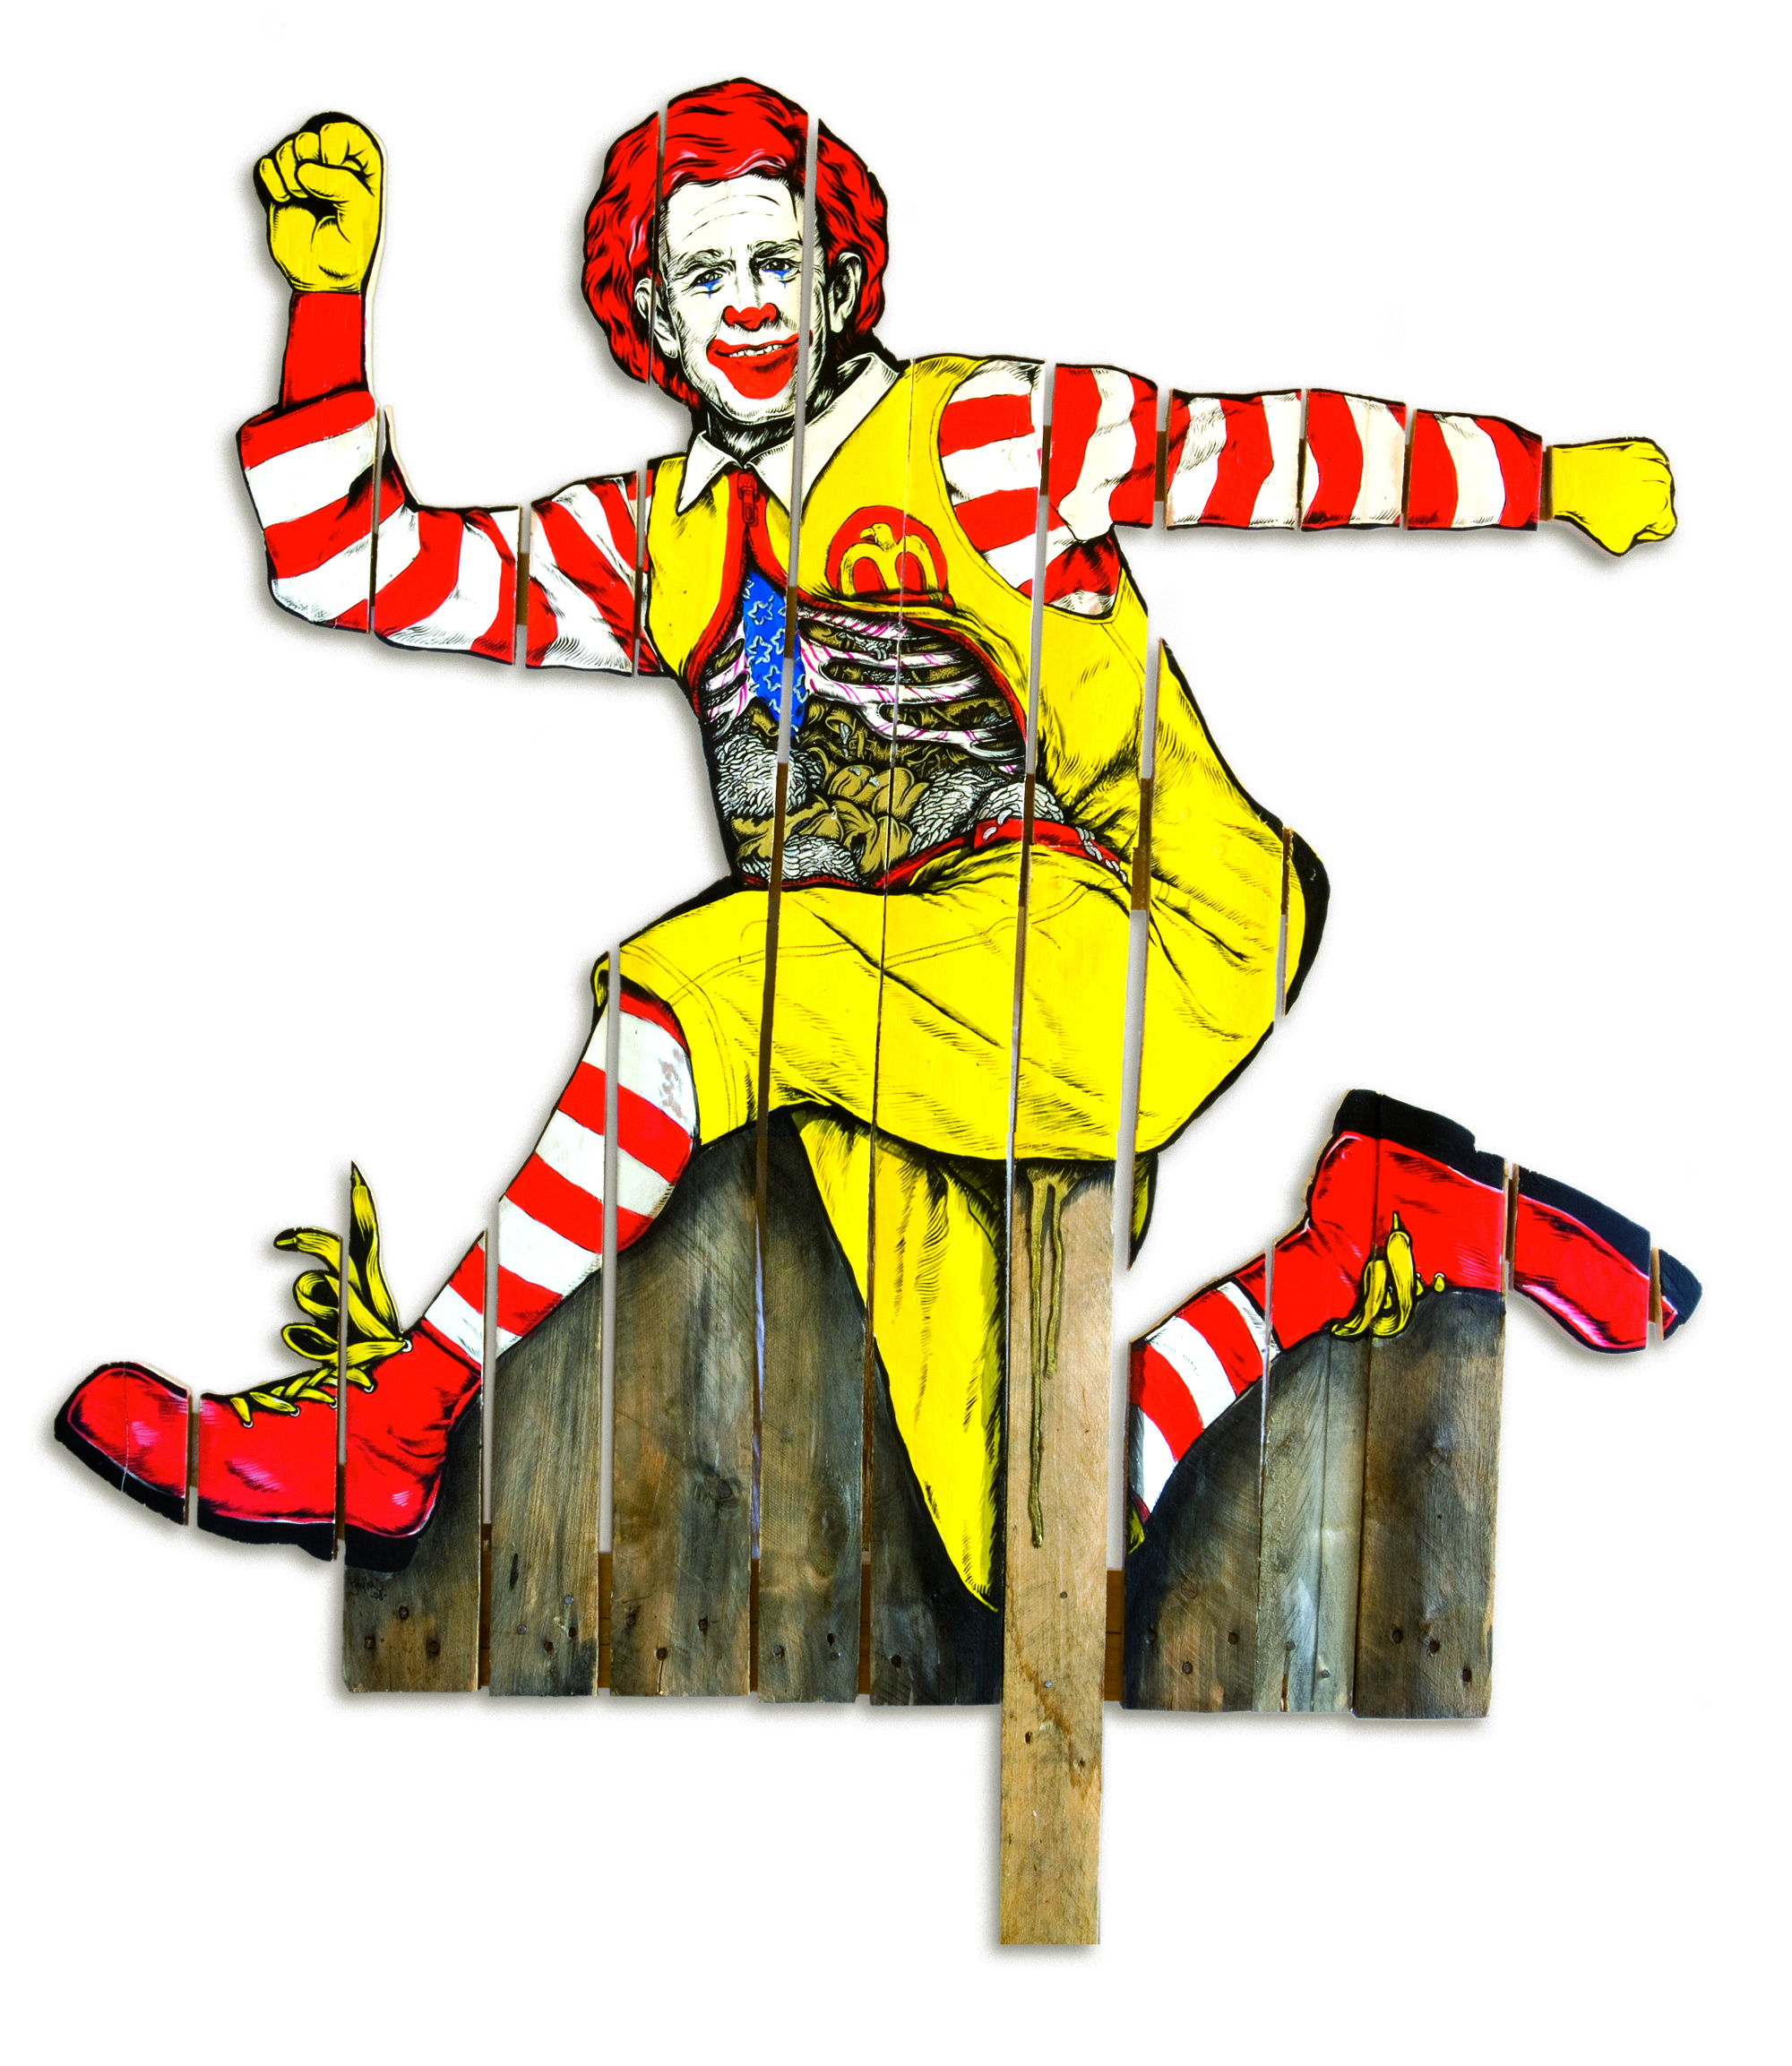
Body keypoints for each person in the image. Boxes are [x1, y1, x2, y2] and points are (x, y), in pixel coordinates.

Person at [55, 79, 1676, 1603]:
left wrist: (1554, 477)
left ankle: (398, 1419)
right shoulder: (660, 540)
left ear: (839, 279)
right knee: (1031, 1542)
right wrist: (325, 308)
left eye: (778, 260)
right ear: (651, 320)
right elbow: (356, 570)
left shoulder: (975, 437)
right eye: (705, 277)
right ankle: (1365, 1234)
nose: (750, 302)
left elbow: (1267, 453)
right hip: (886, 1018)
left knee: (716, 973)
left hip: (1135, 934)